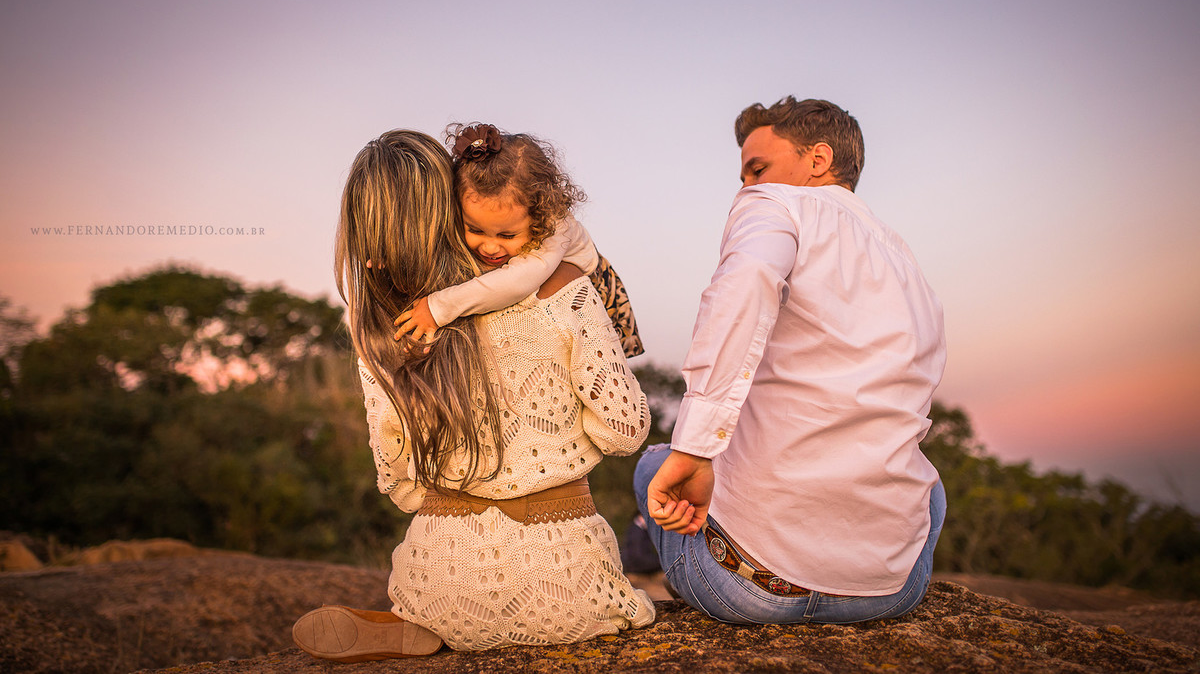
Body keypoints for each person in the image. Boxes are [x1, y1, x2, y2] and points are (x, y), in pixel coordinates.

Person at [293, 130, 654, 662]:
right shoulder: (560, 286)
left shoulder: (383, 327)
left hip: (444, 585)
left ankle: (415, 624)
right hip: (568, 591)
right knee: (673, 527)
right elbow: (624, 433)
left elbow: (401, 482)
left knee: (431, 591)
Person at [634, 97, 947, 625]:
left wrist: (695, 449)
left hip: (752, 591)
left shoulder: (775, 204)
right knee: (929, 489)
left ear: (818, 159)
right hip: (891, 592)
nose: (745, 187)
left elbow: (746, 283)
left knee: (652, 464)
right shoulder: (902, 256)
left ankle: (668, 564)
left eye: (758, 169)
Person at [393, 123, 644, 359]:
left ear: (539, 215)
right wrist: (392, 253)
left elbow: (514, 283)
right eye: (475, 230)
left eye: (507, 236)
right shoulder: (474, 210)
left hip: (595, 300)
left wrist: (438, 308)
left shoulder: (556, 227)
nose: (490, 247)